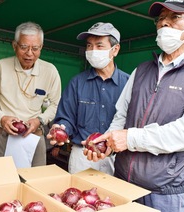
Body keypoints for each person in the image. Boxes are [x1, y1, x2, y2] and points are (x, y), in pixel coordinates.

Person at [83, 1, 184, 212]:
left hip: (166, 195)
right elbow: (122, 116)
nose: (164, 22)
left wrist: (131, 138)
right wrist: (108, 144)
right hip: (125, 185)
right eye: (161, 18)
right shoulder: (140, 71)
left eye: (175, 17)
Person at [47, 22, 129, 174]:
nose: (92, 50)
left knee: (114, 196)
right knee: (80, 195)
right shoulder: (77, 82)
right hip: (83, 155)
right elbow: (66, 117)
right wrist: (61, 128)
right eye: (89, 46)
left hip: (117, 156)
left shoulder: (129, 83)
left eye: (99, 46)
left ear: (115, 50)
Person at [0, 21, 62, 167]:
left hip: (34, 137)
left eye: (35, 48)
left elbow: (55, 104)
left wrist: (40, 120)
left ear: (41, 48)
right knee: (1, 182)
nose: (29, 53)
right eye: (24, 47)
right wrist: (2, 118)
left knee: (35, 181)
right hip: (3, 135)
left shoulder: (50, 71)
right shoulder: (0, 67)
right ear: (15, 46)